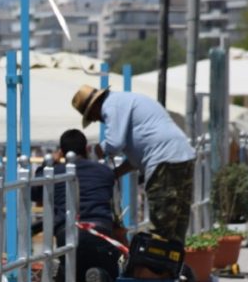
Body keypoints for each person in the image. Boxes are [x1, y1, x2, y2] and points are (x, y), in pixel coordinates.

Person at [71, 85, 196, 246]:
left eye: (91, 115)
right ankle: (174, 266)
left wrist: (97, 150)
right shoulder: (125, 101)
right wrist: (116, 173)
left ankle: (158, 269)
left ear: (94, 105)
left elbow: (114, 143)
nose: (96, 120)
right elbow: (137, 156)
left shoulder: (112, 106)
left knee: (161, 226)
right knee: (178, 225)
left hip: (163, 162)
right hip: (181, 156)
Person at [31, 129, 122, 282]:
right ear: (87, 149)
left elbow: (34, 193)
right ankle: (100, 275)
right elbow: (114, 206)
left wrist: (46, 165)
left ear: (62, 152)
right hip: (99, 230)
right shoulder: (105, 172)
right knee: (109, 274)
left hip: (66, 231)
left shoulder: (55, 172)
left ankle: (61, 277)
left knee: (75, 280)